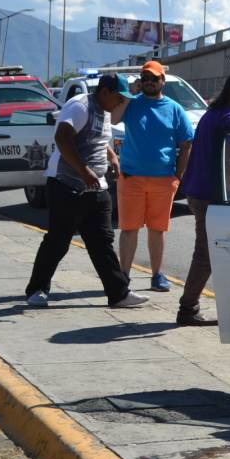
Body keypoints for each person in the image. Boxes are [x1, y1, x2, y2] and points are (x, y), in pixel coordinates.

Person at [25, 74, 148, 309]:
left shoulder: (106, 111)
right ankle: (37, 290)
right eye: (119, 98)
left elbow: (100, 141)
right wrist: (83, 171)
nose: (121, 103)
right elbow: (62, 137)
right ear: (105, 92)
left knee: (102, 242)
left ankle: (119, 293)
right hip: (66, 184)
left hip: (95, 187)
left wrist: (112, 158)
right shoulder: (80, 106)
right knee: (58, 241)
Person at [176, 72, 230, 326]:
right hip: (212, 196)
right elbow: (228, 161)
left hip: (198, 192)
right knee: (206, 254)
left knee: (220, 251)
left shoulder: (212, 114)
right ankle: (188, 309)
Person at [109, 60, 194, 292]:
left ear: (162, 81)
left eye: (153, 78)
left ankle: (157, 275)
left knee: (157, 230)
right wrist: (128, 93)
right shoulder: (132, 104)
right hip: (131, 177)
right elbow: (114, 119)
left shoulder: (174, 108)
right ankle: (123, 276)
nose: (149, 82)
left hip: (163, 180)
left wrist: (177, 176)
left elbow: (186, 143)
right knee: (129, 229)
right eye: (145, 78)